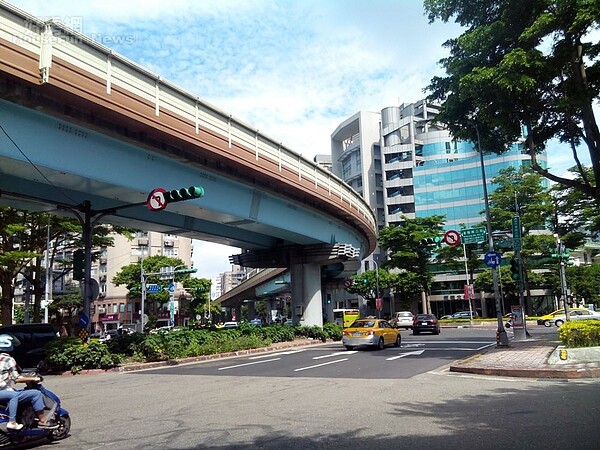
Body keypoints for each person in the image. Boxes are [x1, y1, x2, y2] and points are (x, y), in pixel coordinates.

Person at [0, 352, 58, 430]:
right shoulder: (7, 360)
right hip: (3, 391)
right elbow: (16, 379)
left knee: (15, 392)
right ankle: (42, 421)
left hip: (3, 390)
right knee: (35, 394)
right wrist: (33, 378)